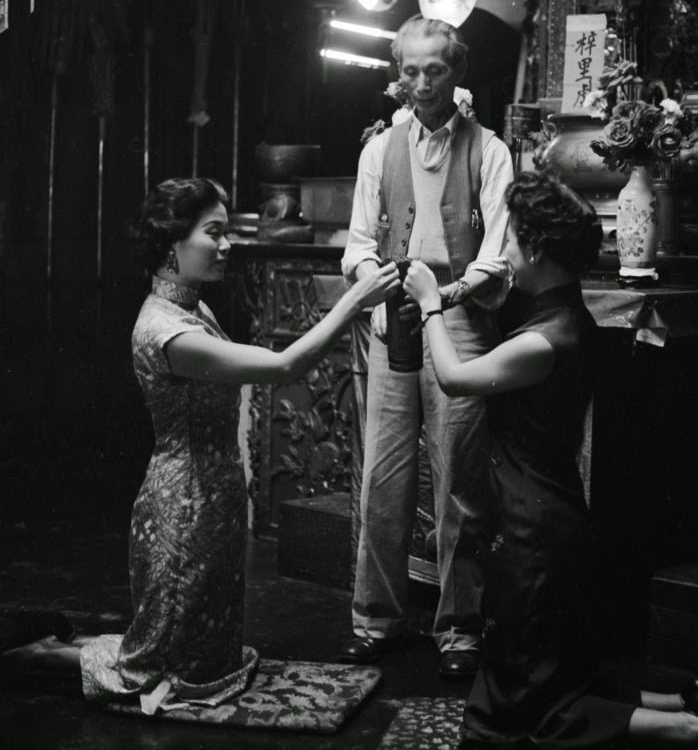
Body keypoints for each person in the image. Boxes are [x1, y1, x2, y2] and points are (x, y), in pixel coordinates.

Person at [0, 177, 400, 713]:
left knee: (203, 656)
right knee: (156, 674)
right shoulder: (165, 330)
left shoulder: (194, 308)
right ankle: (27, 659)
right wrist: (355, 299)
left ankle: (52, 643)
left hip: (215, 499)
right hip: (183, 508)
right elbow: (285, 366)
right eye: (214, 232)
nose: (227, 244)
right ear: (172, 243)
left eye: (228, 231)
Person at [401, 170, 698, 748]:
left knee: (530, 707)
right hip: (551, 511)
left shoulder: (545, 339)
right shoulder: (567, 313)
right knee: (547, 669)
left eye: (514, 240)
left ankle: (686, 729)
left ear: (538, 250)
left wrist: (429, 305)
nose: (505, 251)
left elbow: (452, 379)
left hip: (532, 527)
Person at [339, 15, 514, 679]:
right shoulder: (379, 151)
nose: (420, 83)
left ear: (457, 71)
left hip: (460, 326)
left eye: (433, 70)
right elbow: (357, 243)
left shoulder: (488, 149)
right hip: (392, 324)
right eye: (409, 70)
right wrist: (372, 277)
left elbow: (500, 254)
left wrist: (450, 292)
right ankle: (374, 618)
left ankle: (459, 626)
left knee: (459, 487)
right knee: (383, 479)